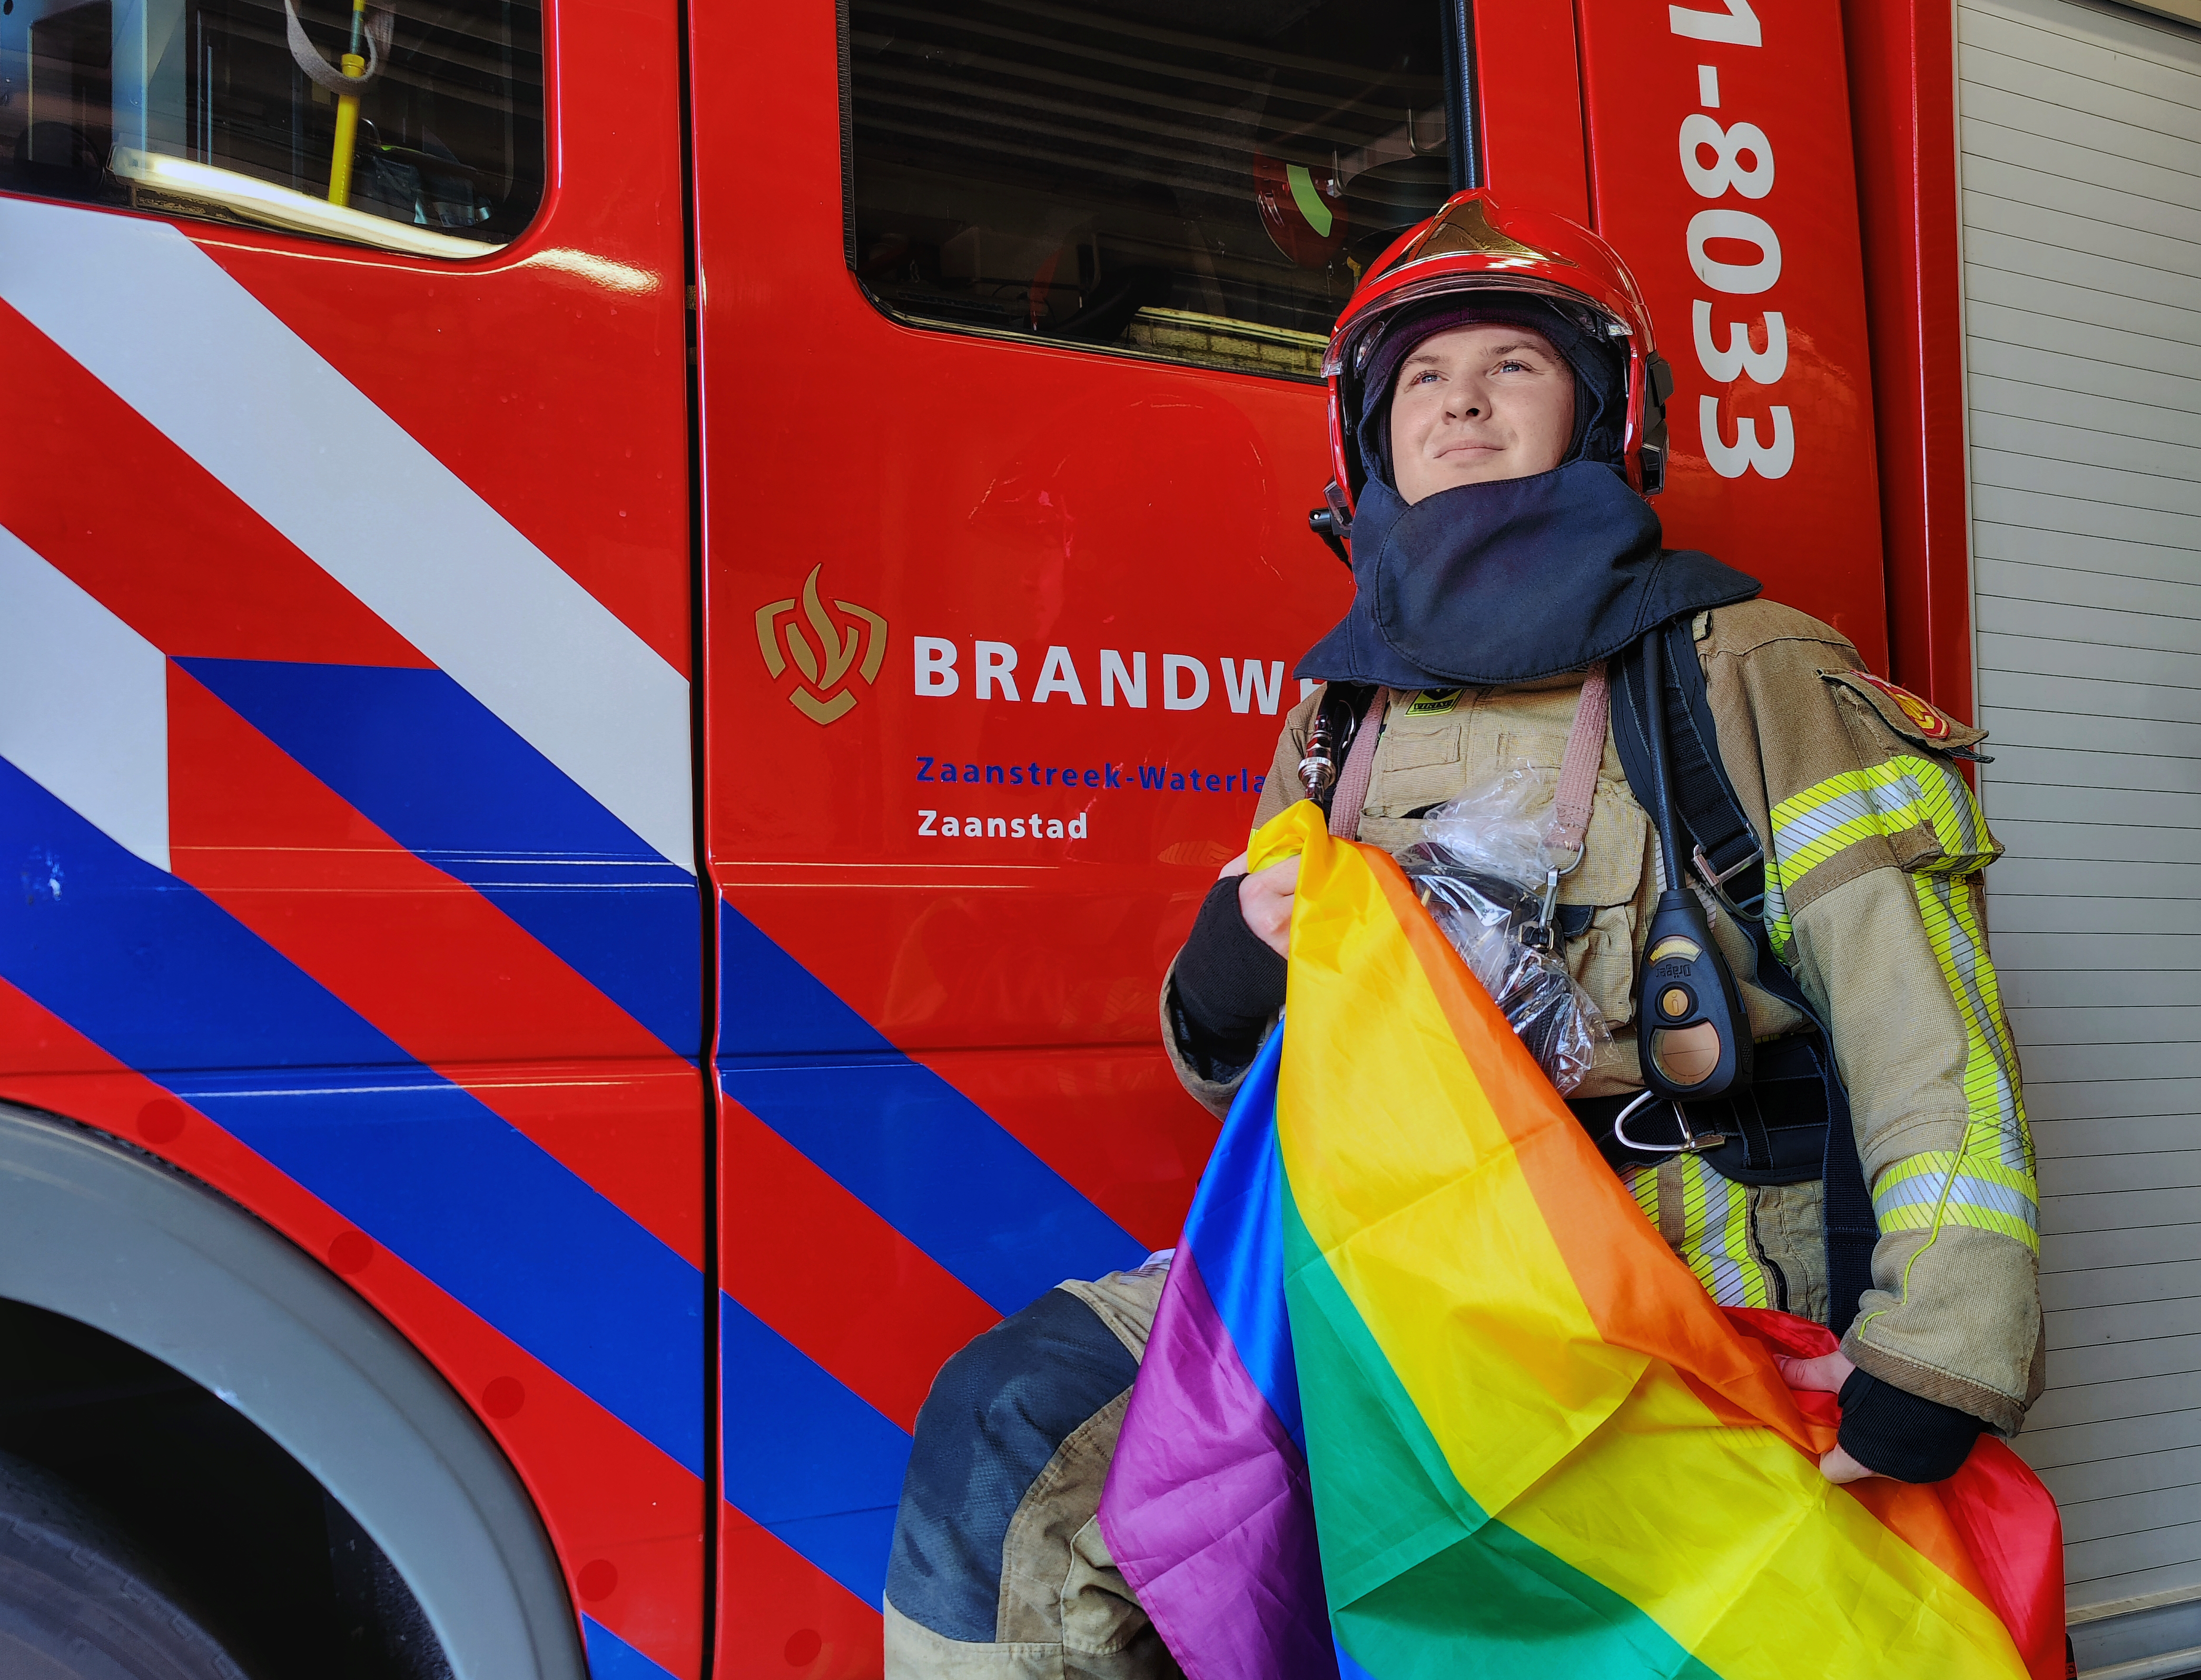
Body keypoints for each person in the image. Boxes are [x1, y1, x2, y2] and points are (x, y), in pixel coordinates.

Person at [882, 192, 2041, 1679]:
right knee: (1013, 1426)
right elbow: (1233, 1084)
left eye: (1512, 366)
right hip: (1383, 1264)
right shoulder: (1344, 709)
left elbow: (1928, 1033)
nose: (1463, 405)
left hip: (1660, 1292)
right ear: (1374, 434)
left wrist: (1932, 1358)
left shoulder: (1751, 672)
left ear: (1608, 411)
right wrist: (1240, 947)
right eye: (1422, 377)